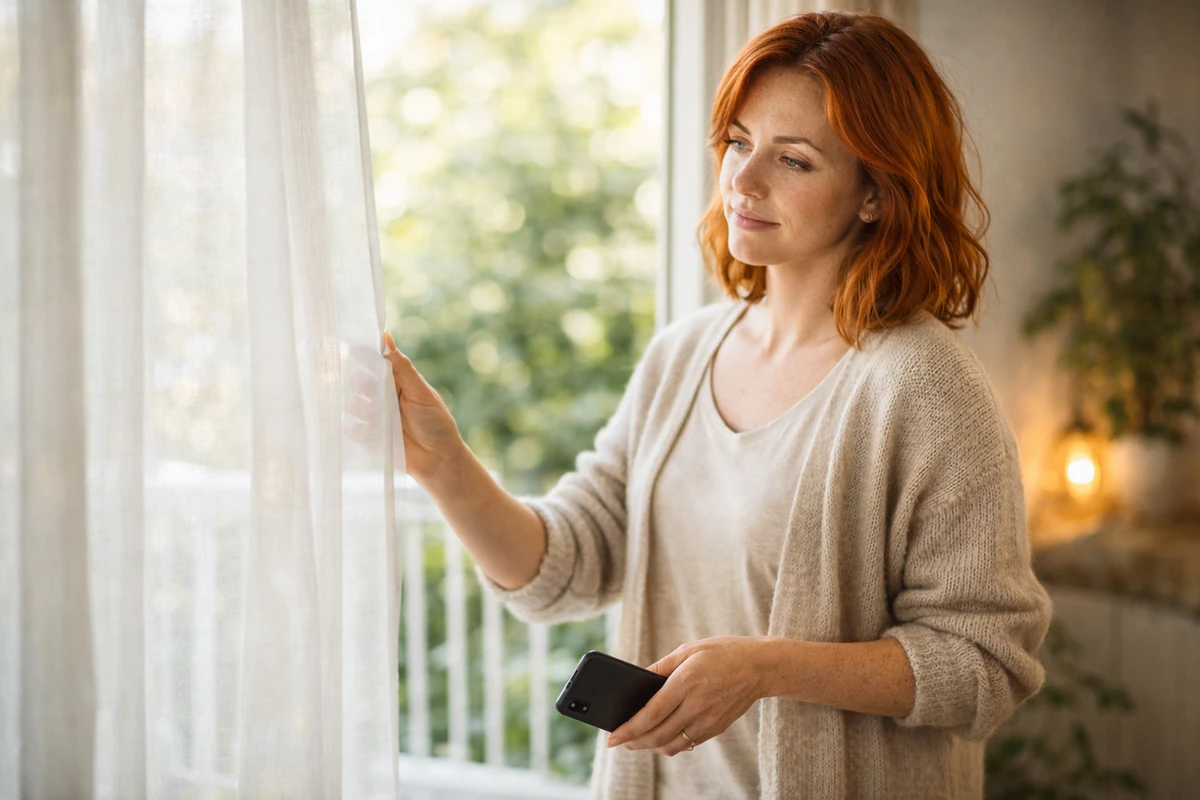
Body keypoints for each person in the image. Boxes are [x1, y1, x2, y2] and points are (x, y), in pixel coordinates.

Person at [375, 10, 1052, 799]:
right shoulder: (682, 355)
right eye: (737, 142)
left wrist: (765, 668)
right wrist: (441, 461)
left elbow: (986, 664)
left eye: (793, 160)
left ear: (875, 194)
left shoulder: (928, 388)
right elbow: (562, 569)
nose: (743, 180)